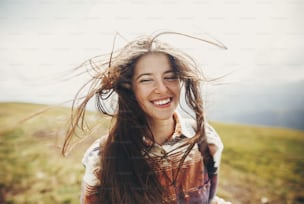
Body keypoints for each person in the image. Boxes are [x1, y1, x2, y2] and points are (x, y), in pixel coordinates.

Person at [62, 32, 230, 204]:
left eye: (170, 77)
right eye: (146, 80)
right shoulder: (102, 157)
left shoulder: (205, 138)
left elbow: (210, 200)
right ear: (130, 88)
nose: (162, 89)